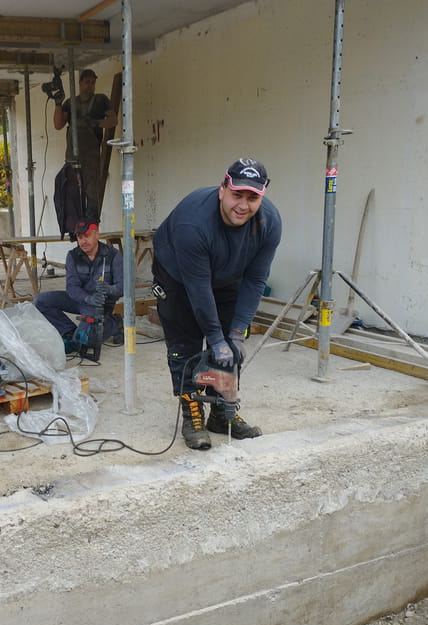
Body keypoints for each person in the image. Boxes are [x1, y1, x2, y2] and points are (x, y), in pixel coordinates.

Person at [152, 158, 281, 450]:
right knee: (184, 342)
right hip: (178, 275)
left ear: (263, 195)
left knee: (229, 346)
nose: (243, 205)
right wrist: (214, 337)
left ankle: (223, 414)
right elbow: (198, 288)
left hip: (227, 274)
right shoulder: (193, 222)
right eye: (237, 194)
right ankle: (193, 414)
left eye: (253, 198)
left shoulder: (269, 223)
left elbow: (256, 280)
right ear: (223, 188)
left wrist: (235, 333)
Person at [33, 221, 124, 357]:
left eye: (87, 236)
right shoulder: (73, 255)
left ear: (97, 235)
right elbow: (72, 287)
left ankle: (113, 323)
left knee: (86, 343)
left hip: (100, 305)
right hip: (80, 300)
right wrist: (88, 298)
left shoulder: (113, 255)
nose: (83, 241)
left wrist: (109, 289)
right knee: (41, 300)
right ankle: (69, 331)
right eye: (80, 237)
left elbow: (123, 287)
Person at [53, 68, 117, 219]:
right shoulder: (70, 103)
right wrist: (58, 103)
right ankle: (76, 227)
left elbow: (113, 121)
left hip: (91, 156)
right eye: (87, 82)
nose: (90, 85)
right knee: (72, 192)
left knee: (91, 191)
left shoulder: (101, 100)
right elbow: (58, 124)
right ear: (80, 83)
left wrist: (97, 123)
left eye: (93, 83)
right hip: (72, 157)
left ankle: (92, 224)